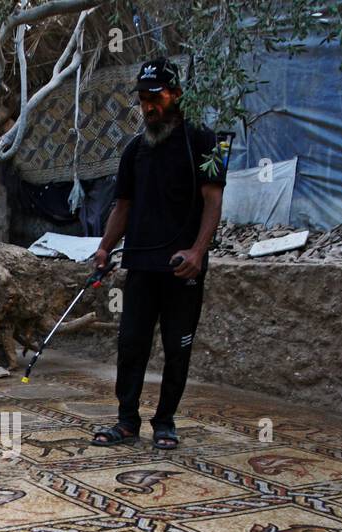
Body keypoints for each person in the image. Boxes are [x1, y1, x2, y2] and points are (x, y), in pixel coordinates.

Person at [91, 58, 226, 450]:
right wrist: (103, 248)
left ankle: (165, 421)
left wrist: (198, 252)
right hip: (141, 266)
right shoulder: (135, 150)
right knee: (132, 343)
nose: (149, 106)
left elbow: (213, 200)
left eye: (156, 97)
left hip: (182, 268)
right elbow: (123, 207)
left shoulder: (205, 141)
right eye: (143, 99)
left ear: (177, 95)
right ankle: (126, 421)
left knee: (176, 346)